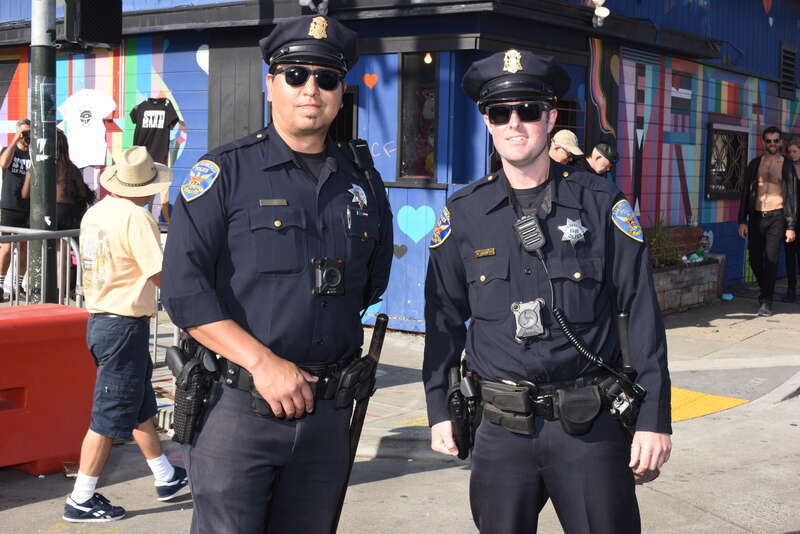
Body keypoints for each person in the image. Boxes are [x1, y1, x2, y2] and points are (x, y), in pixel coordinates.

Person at [160, 15, 393, 534]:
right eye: (295, 75)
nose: (311, 89)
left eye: (326, 78)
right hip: (240, 409)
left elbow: (369, 284)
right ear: (270, 83)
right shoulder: (223, 173)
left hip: (328, 410)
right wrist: (263, 363)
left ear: (340, 91)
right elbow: (184, 292)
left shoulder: (362, 183)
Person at [423, 50, 672, 533]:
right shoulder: (464, 214)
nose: (515, 124)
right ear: (488, 123)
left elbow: (642, 310)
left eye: (529, 110)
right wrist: (439, 408)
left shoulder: (601, 204)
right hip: (499, 428)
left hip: (589, 427)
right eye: (501, 112)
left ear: (551, 117)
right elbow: (443, 319)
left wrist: (654, 417)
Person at [63, 146, 190, 523]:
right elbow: (158, 271)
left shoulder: (96, 212)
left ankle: (165, 476)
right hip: (124, 322)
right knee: (108, 416)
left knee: (137, 405)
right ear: (145, 187)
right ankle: (80, 498)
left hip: (101, 320)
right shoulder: (137, 217)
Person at [738, 126, 797, 316]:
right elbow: (745, 192)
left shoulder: (786, 165)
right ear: (763, 142)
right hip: (756, 215)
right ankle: (766, 290)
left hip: (777, 216)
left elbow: (792, 196)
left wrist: (791, 226)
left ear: (780, 142)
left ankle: (767, 301)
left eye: (776, 140)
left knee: (771, 259)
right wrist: (742, 220)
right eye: (769, 141)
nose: (773, 144)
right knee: (754, 258)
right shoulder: (755, 164)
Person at [21, 129, 95, 230]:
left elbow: (24, 194)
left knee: (43, 244)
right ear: (64, 148)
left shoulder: (36, 167)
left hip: (40, 213)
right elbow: (82, 193)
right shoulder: (70, 168)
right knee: (64, 244)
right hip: (65, 214)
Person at [0, 118, 32, 301]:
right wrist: (15, 139)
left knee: (24, 246)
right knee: (6, 247)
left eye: (29, 132)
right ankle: (0, 283)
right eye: (24, 132)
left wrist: (33, 143)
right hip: (10, 205)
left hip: (28, 207)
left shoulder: (33, 153)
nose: (26, 136)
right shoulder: (9, 151)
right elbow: (3, 163)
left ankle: (18, 284)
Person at [783, 137, 800, 303]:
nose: (792, 154)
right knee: (789, 256)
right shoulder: (787, 168)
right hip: (790, 219)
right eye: (790, 152)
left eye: (795, 151)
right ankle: (791, 290)